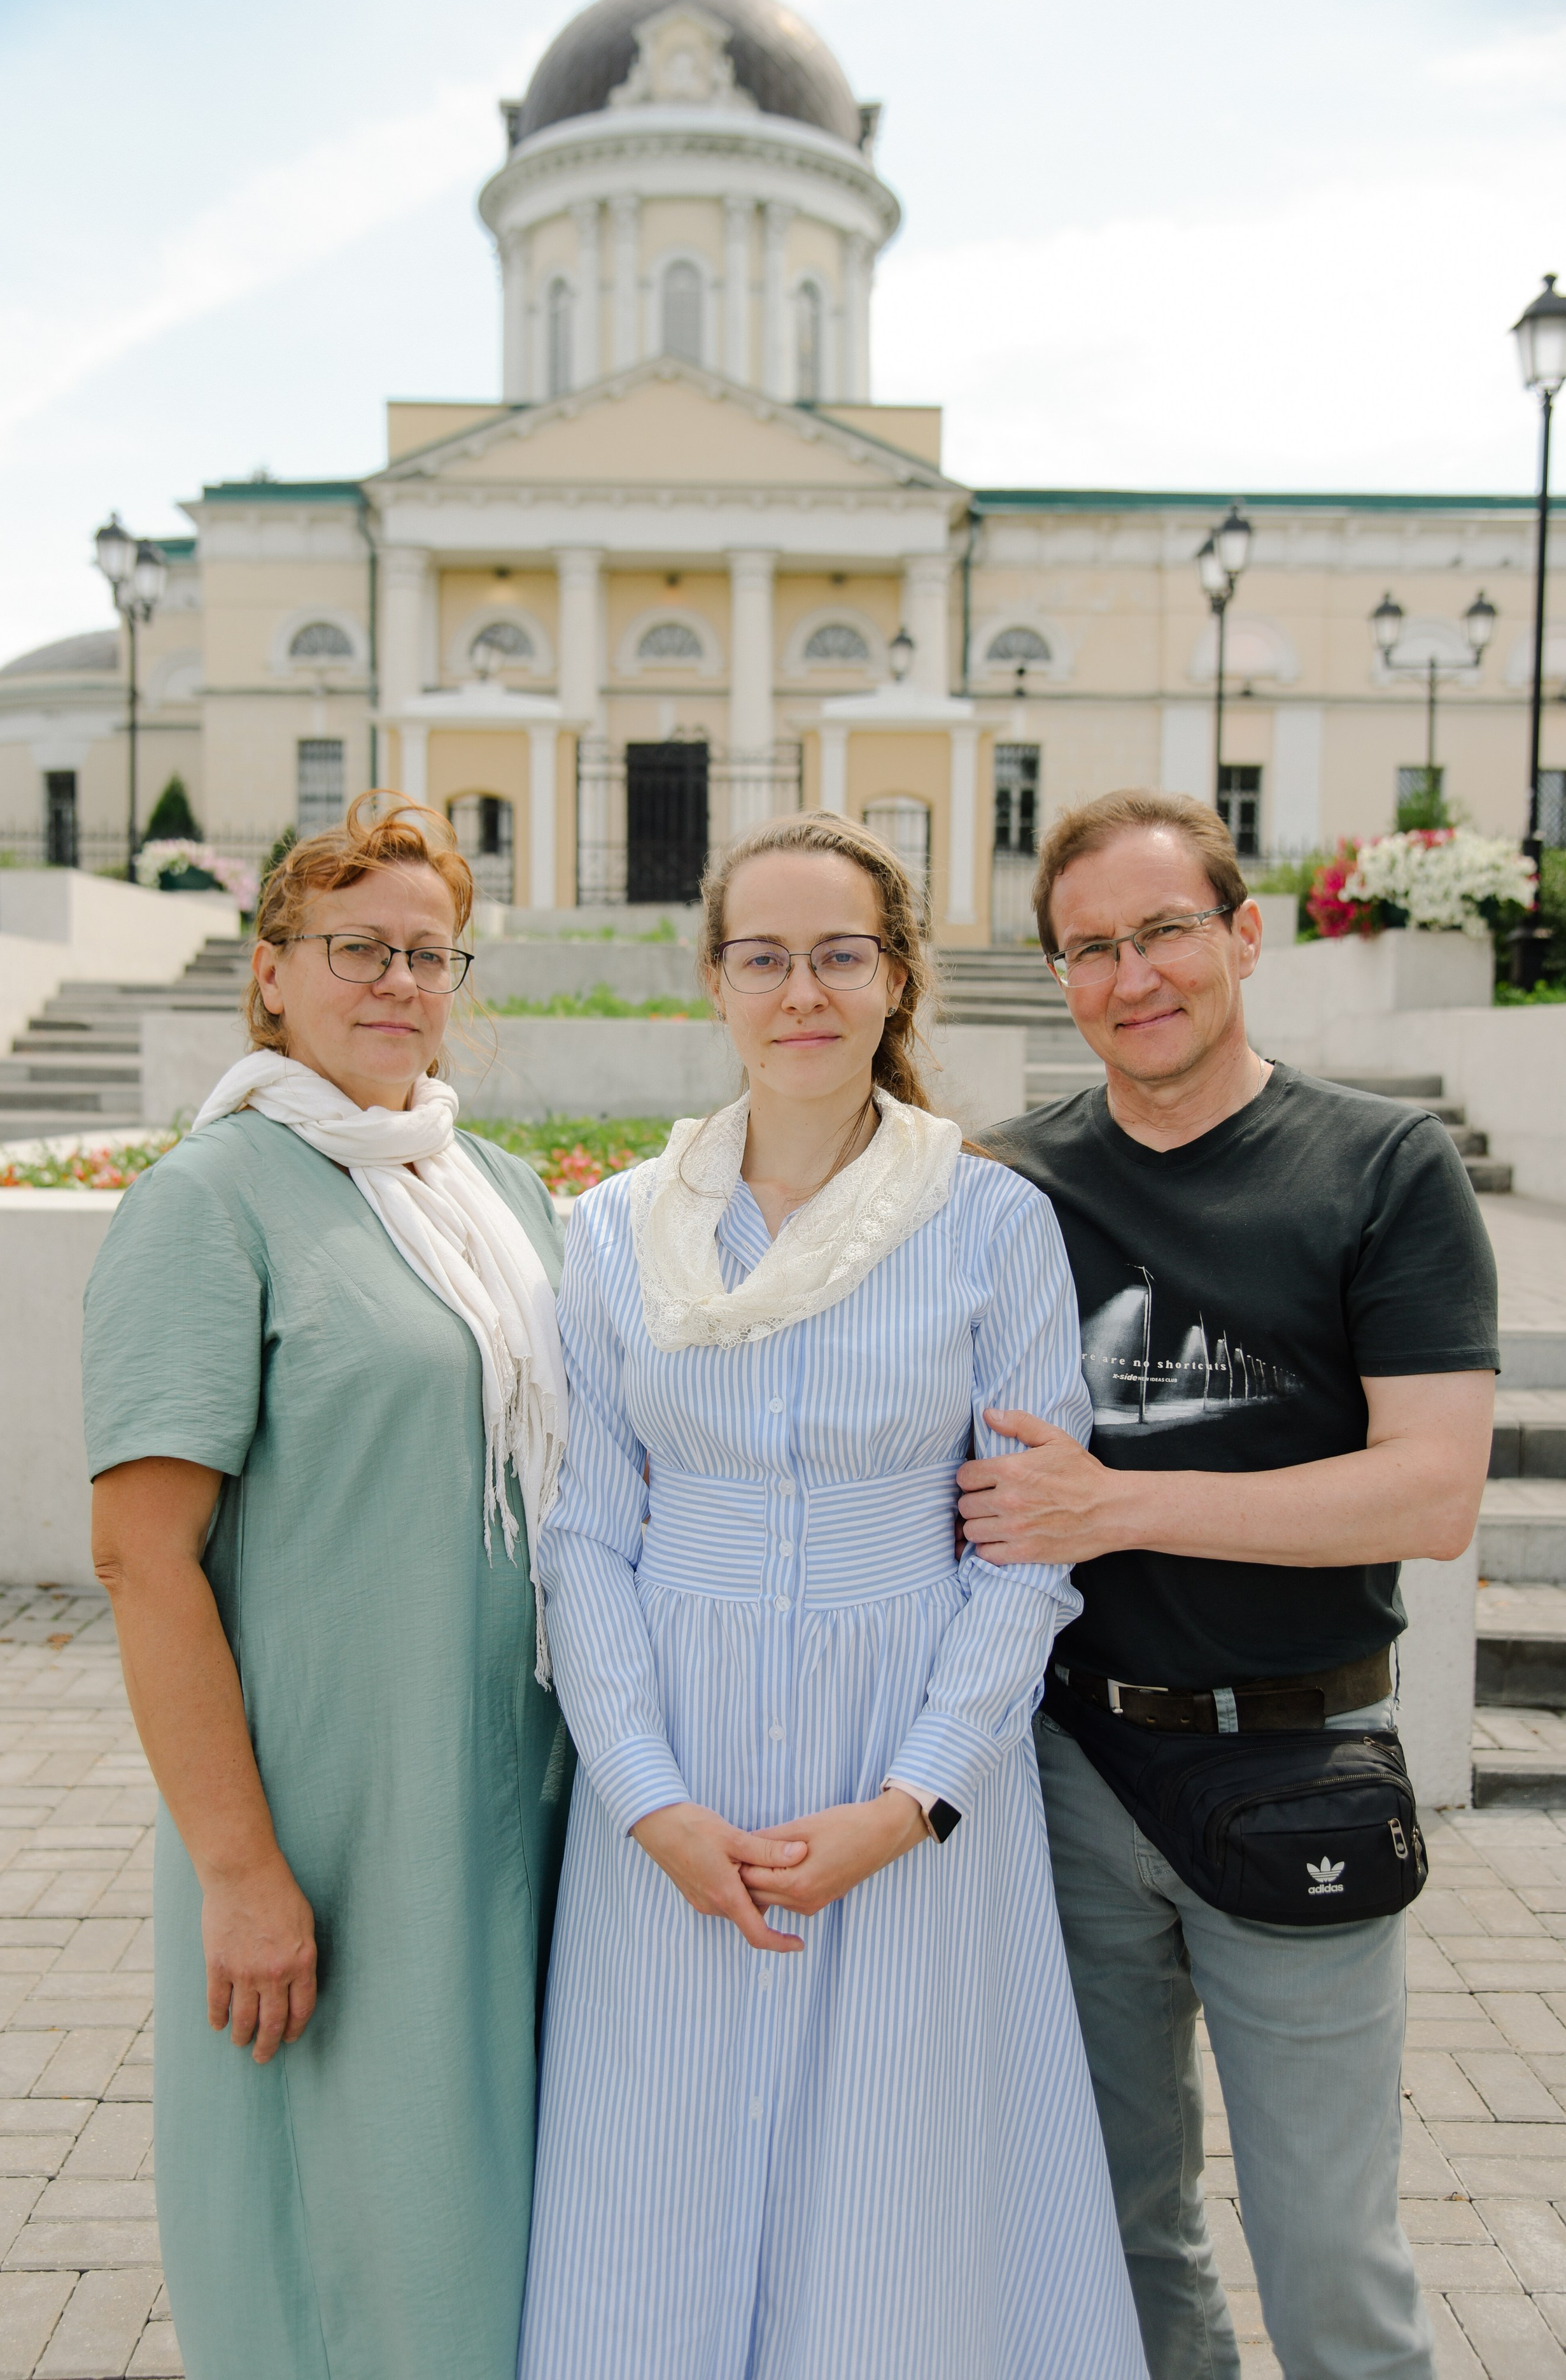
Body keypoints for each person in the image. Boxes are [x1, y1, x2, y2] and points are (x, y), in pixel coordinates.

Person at [518, 811, 1145, 2380]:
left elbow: (1026, 1550)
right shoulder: (613, 1232)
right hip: (674, 1758)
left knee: (893, 2187)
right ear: (714, 982)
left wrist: (911, 1799)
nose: (801, 991)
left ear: (896, 977)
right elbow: (583, 1536)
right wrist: (647, 1798)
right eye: (763, 957)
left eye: (840, 955)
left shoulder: (990, 1224)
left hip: (908, 1753)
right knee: (654, 2174)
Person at [959, 788, 1497, 2380]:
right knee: (1117, 2240)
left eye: (1163, 931)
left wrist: (1115, 1506)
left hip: (1296, 1763)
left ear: (1243, 934)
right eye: (1088, 948)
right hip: (1069, 1774)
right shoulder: (1005, 1184)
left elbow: (1430, 1490)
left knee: (1328, 2262)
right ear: (1057, 976)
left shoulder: (1381, 1166)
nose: (1130, 976)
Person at [81, 794, 572, 2380]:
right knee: (344, 2233)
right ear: (272, 969)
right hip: (327, 1814)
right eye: (357, 947)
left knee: (482, 2220)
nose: (399, 982)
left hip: (511, 1800)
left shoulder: (498, 1190)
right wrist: (239, 1871)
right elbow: (140, 1556)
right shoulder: (208, 1200)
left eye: (431, 954)